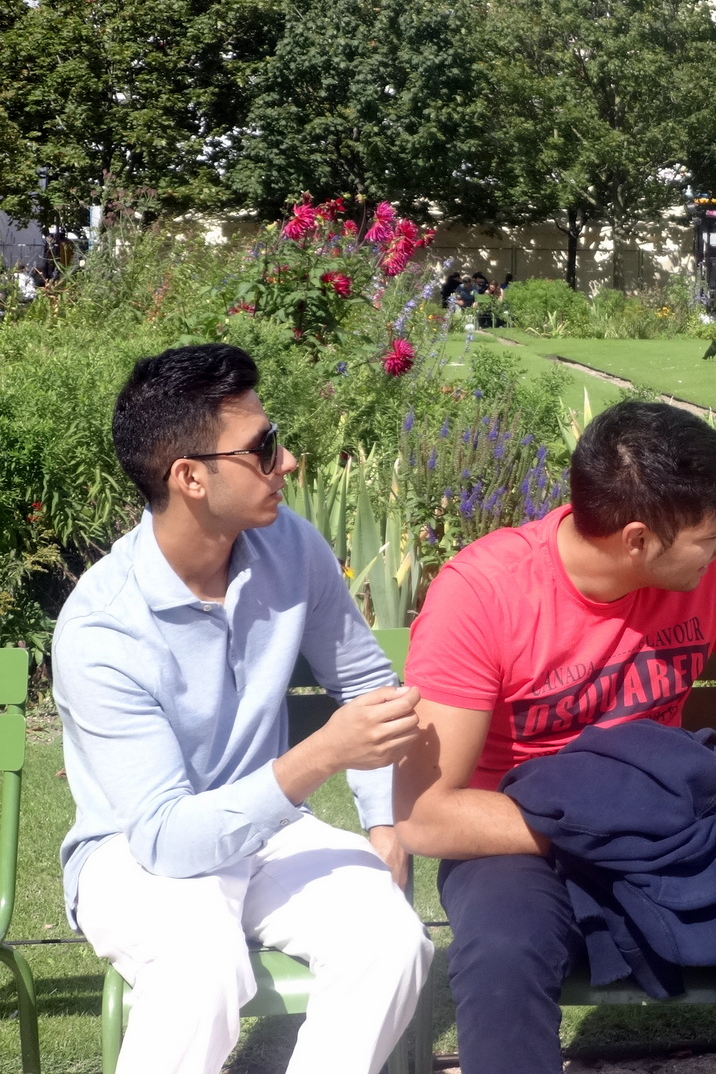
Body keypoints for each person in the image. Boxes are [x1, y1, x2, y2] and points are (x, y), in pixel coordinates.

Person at [395, 401, 716, 1074]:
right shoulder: (485, 596)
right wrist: (617, 827)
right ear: (638, 540)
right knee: (503, 946)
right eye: (713, 534)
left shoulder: (715, 580)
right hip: (520, 842)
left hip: (672, 828)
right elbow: (426, 815)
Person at [52, 344, 433, 1074]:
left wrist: (385, 826)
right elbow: (166, 838)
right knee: (200, 965)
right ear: (190, 477)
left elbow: (365, 685)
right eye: (261, 449)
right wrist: (320, 755)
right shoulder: (102, 628)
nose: (285, 461)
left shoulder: (289, 546)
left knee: (391, 943)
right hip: (134, 853)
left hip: (269, 835)